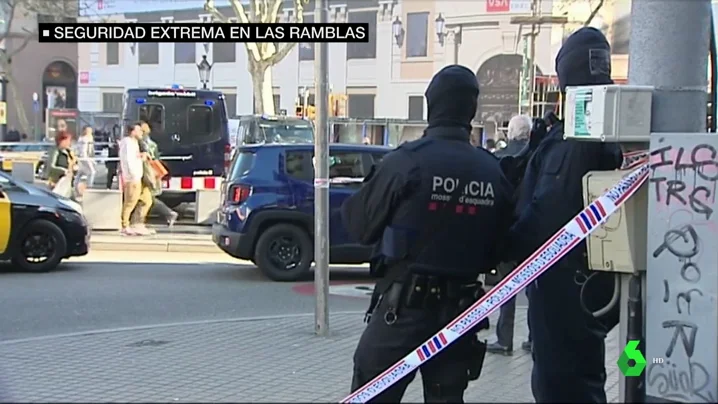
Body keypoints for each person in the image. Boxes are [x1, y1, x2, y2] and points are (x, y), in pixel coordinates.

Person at [341, 65, 515, 403]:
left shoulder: (406, 162)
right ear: (471, 109)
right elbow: (502, 249)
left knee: (371, 392)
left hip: (403, 311)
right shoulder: (493, 171)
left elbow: (359, 226)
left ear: (430, 105)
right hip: (459, 313)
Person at [507, 27, 623, 403]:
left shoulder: (577, 139)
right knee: (582, 377)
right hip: (589, 287)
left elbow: (548, 214)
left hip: (565, 287)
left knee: (561, 384)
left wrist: (506, 245)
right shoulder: (598, 131)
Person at [487, 114, 534, 356]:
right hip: (532, 228)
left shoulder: (500, 157)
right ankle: (533, 338)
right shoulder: (536, 156)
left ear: (512, 132)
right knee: (534, 285)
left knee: (507, 286)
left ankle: (504, 340)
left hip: (507, 229)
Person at [137, 122, 178, 227]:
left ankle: (168, 213)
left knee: (147, 198)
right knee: (147, 197)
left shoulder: (141, 143)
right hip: (151, 173)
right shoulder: (152, 143)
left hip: (145, 173)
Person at [119, 122, 153, 236]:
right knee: (130, 202)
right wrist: (132, 176)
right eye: (139, 130)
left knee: (145, 200)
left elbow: (134, 158)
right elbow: (128, 160)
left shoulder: (135, 143)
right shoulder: (128, 143)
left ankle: (136, 224)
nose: (141, 133)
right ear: (133, 132)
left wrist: (141, 157)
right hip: (133, 178)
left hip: (138, 176)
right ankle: (125, 225)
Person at [46, 131, 77, 196]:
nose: (69, 142)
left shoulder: (69, 151)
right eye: (67, 140)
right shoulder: (55, 151)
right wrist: (63, 171)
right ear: (61, 141)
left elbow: (74, 162)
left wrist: (75, 167)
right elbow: (51, 167)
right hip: (57, 183)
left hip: (68, 182)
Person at [74, 126, 97, 195]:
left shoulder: (89, 138)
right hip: (84, 158)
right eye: (88, 130)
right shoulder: (84, 139)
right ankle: (89, 188)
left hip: (85, 157)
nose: (90, 132)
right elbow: (83, 151)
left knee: (80, 172)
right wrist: (86, 159)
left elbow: (91, 150)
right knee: (92, 172)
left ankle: (76, 186)